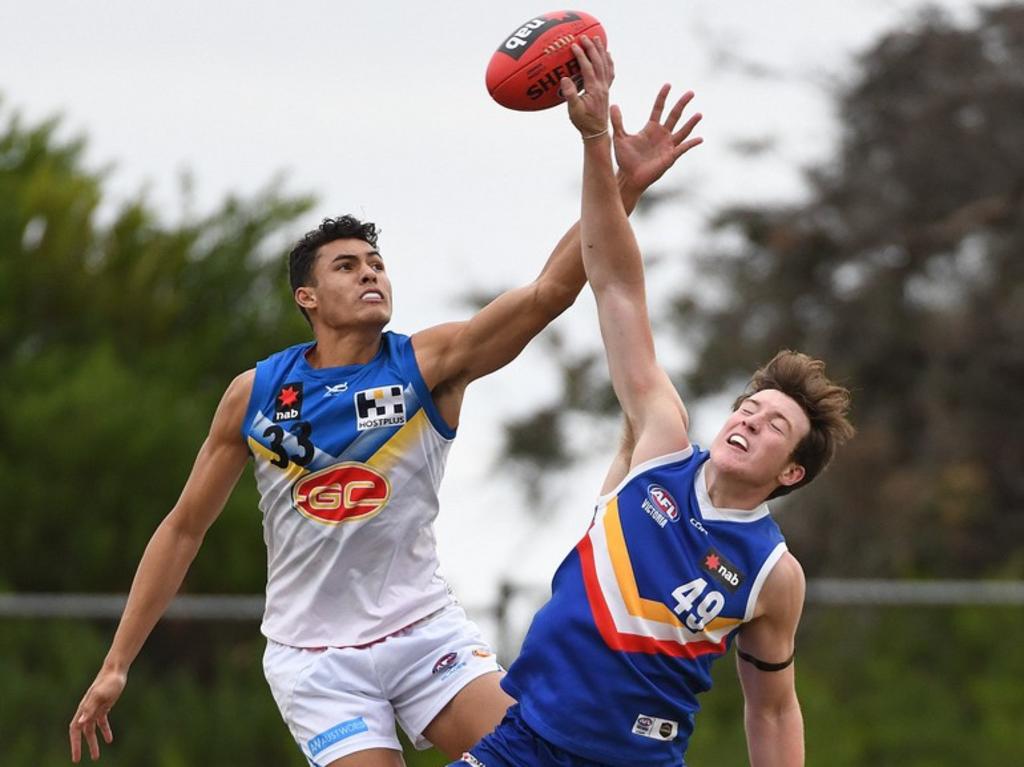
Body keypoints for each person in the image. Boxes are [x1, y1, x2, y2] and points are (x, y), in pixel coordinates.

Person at [67, 49, 707, 767]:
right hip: (316, 662)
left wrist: (621, 183)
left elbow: (546, 294)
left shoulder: (427, 364)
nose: (370, 271)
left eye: (376, 263)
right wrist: (118, 660)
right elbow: (184, 528)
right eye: (347, 265)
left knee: (543, 759)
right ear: (306, 298)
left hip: (423, 633)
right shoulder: (255, 394)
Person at [451, 36, 854, 767]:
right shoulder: (660, 442)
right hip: (525, 745)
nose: (748, 420)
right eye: (749, 407)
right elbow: (615, 287)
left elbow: (773, 707)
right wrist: (600, 146)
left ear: (790, 472)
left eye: (773, 428)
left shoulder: (772, 571)